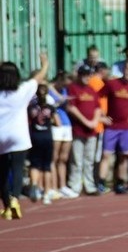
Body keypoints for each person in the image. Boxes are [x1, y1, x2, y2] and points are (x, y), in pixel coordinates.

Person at [0, 54, 49, 220]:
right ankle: (15, 199)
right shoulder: (22, 91)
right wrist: (45, 64)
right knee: (17, 168)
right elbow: (38, 78)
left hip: (1, 136)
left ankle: (7, 205)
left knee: (2, 173)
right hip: (18, 135)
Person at [98, 60, 128, 194]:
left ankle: (120, 183)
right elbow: (96, 97)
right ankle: (101, 183)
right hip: (111, 127)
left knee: (124, 156)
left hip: (126, 128)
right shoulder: (112, 84)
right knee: (106, 155)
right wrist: (102, 115)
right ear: (123, 69)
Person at [65, 64, 102, 196]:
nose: (87, 77)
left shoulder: (92, 90)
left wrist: (94, 121)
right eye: (85, 75)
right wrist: (85, 121)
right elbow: (71, 107)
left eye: (89, 75)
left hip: (91, 131)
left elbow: (98, 107)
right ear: (80, 75)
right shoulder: (73, 88)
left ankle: (89, 186)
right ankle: (75, 185)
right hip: (78, 129)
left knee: (89, 160)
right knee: (76, 159)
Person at [48, 71, 77, 199]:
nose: (66, 86)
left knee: (63, 158)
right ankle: (53, 187)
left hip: (66, 124)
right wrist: (62, 98)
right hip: (56, 125)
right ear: (60, 79)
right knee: (54, 158)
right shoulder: (49, 89)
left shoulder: (64, 90)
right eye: (64, 83)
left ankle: (63, 186)